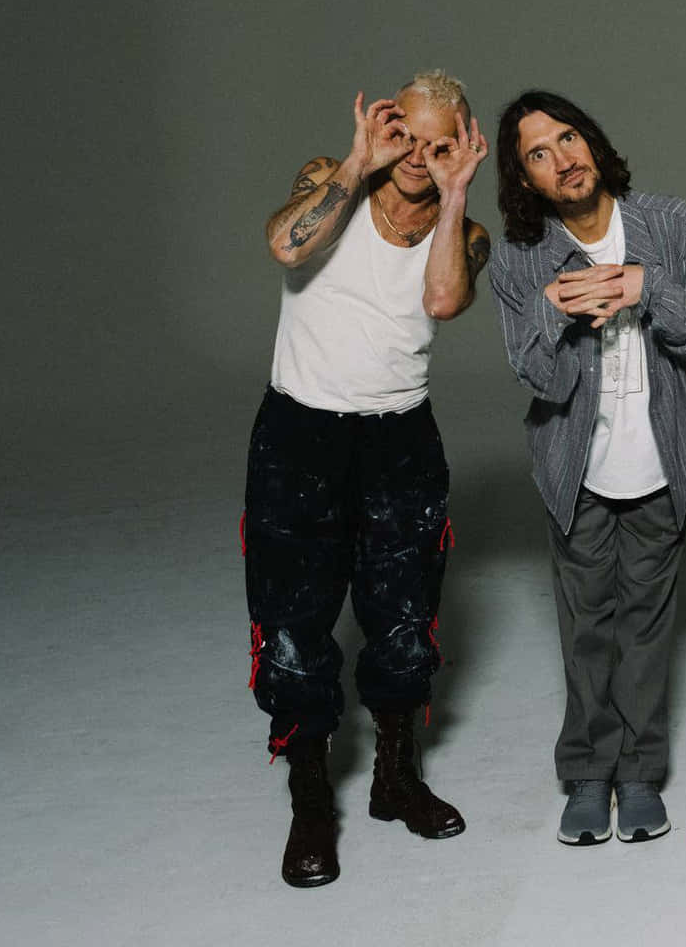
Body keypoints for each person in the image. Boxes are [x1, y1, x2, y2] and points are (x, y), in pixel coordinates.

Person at [243, 70, 491, 887]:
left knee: (403, 613)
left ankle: (395, 776)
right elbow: (285, 245)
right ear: (384, 128)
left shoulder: (468, 230)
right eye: (407, 135)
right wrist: (356, 164)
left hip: (399, 441)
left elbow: (445, 301)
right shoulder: (328, 178)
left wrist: (454, 198)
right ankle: (311, 797)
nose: (420, 155)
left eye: (440, 143)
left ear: (463, 146)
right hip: (300, 434)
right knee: (293, 619)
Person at [488, 91, 686, 846]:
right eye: (539, 154)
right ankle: (588, 774)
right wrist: (553, 307)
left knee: (648, 628)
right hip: (575, 469)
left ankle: (641, 774)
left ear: (593, 140)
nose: (563, 156)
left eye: (568, 136)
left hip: (660, 463)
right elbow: (536, 377)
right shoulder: (523, 257)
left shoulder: (668, 223)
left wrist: (646, 288)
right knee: (589, 626)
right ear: (526, 181)